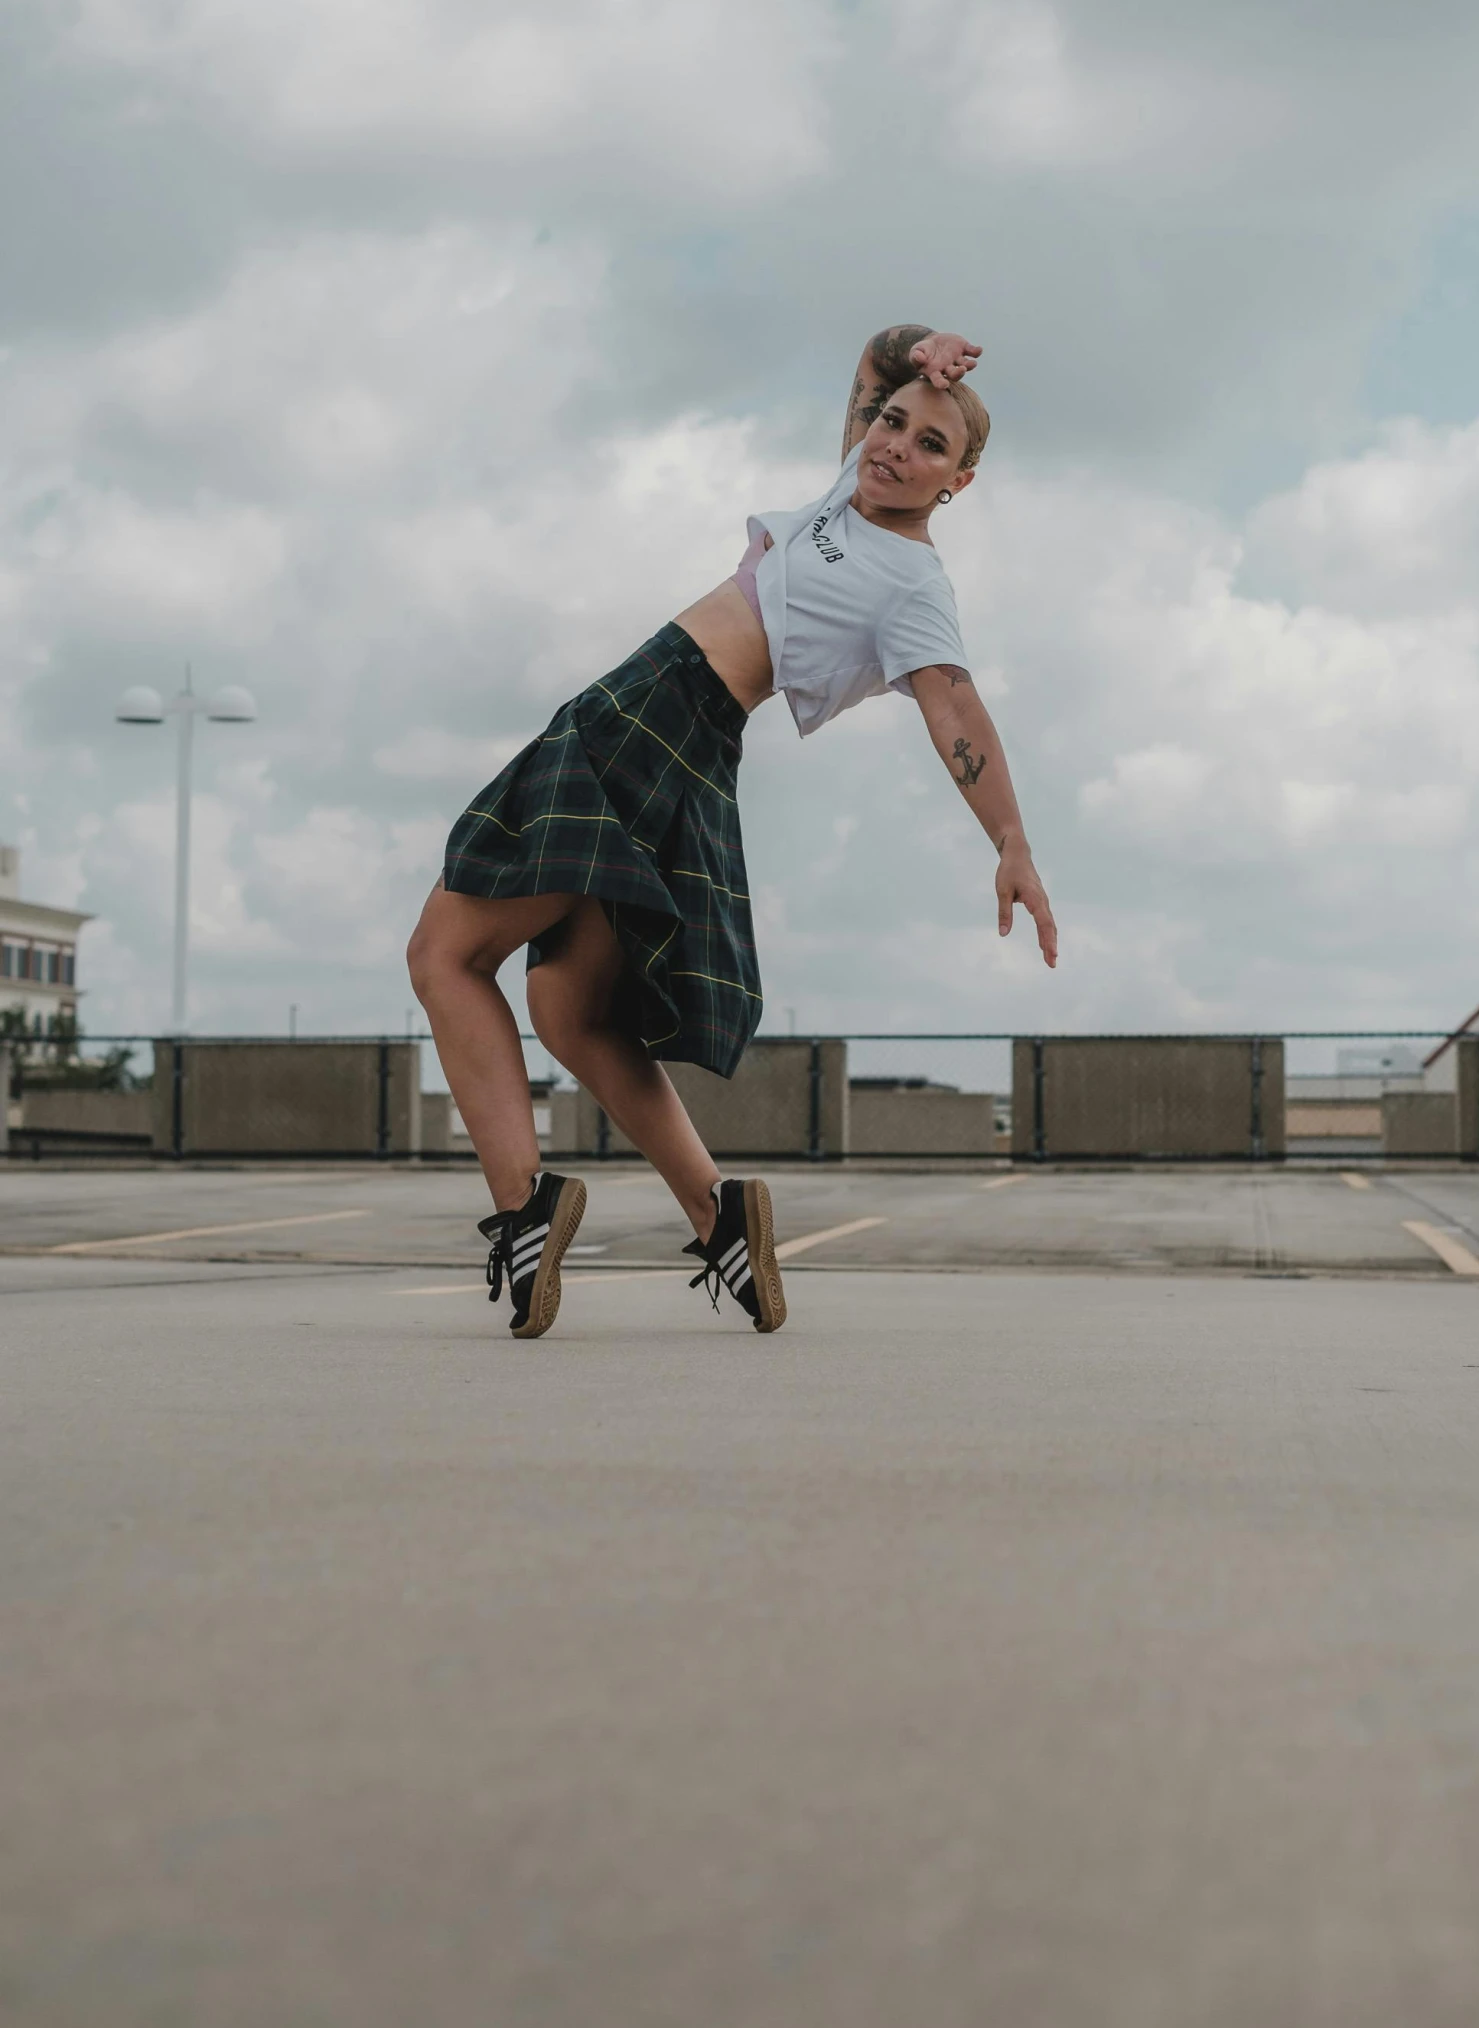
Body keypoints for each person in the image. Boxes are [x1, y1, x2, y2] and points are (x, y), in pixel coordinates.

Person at [406, 325, 1058, 1339]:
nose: (894, 444)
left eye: (929, 445)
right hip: (677, 735)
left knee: (446, 954)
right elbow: (871, 362)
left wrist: (1009, 838)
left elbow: (954, 709)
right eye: (891, 423)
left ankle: (524, 1208)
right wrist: (914, 349)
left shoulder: (914, 585)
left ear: (958, 483)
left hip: (656, 716)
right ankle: (721, 1219)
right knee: (568, 1009)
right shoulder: (851, 486)